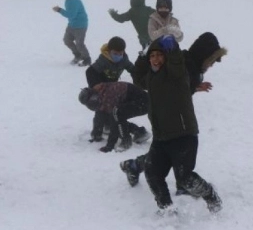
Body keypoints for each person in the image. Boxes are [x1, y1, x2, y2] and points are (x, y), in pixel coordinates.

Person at [118, 36, 222, 215]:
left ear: (166, 57)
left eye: (160, 55)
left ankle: (210, 195)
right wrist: (144, 55)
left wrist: (172, 47)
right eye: (153, 56)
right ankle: (166, 208)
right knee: (152, 173)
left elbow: (176, 62)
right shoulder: (151, 78)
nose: (156, 59)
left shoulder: (176, 73)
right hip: (161, 136)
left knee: (184, 178)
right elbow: (137, 77)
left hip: (183, 135)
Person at [85, 36, 137, 143]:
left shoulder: (124, 60)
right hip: (102, 89)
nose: (118, 56)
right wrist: (95, 85)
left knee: (113, 110)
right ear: (109, 51)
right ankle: (96, 133)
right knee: (101, 110)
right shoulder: (103, 60)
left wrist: (139, 81)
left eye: (120, 53)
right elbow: (89, 72)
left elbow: (133, 70)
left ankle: (109, 126)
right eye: (115, 53)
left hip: (113, 89)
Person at [78, 82, 150, 153]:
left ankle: (126, 141)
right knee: (112, 115)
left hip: (144, 103)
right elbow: (99, 114)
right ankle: (140, 132)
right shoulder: (101, 94)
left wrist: (110, 146)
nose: (91, 103)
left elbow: (114, 121)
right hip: (136, 101)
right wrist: (96, 134)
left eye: (91, 101)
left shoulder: (108, 95)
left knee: (117, 114)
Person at [53, 0, 90, 66]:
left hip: (80, 25)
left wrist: (59, 10)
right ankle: (78, 55)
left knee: (79, 43)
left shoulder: (74, 0)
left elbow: (71, 15)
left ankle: (87, 59)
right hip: (72, 24)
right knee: (67, 40)